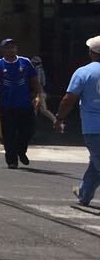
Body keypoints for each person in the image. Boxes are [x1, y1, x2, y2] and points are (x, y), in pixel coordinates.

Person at [54, 35, 100, 207]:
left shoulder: (83, 72)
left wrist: (59, 118)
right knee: (96, 163)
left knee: (98, 161)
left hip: (94, 129)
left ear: (91, 52)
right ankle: (84, 194)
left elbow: (68, 100)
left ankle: (84, 193)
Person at [0, 37, 42, 169]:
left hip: (25, 104)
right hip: (7, 106)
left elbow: (34, 80)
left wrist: (38, 96)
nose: (11, 49)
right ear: (3, 50)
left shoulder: (25, 62)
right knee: (9, 134)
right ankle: (11, 160)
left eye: (13, 47)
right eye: (8, 47)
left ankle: (21, 150)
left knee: (29, 130)